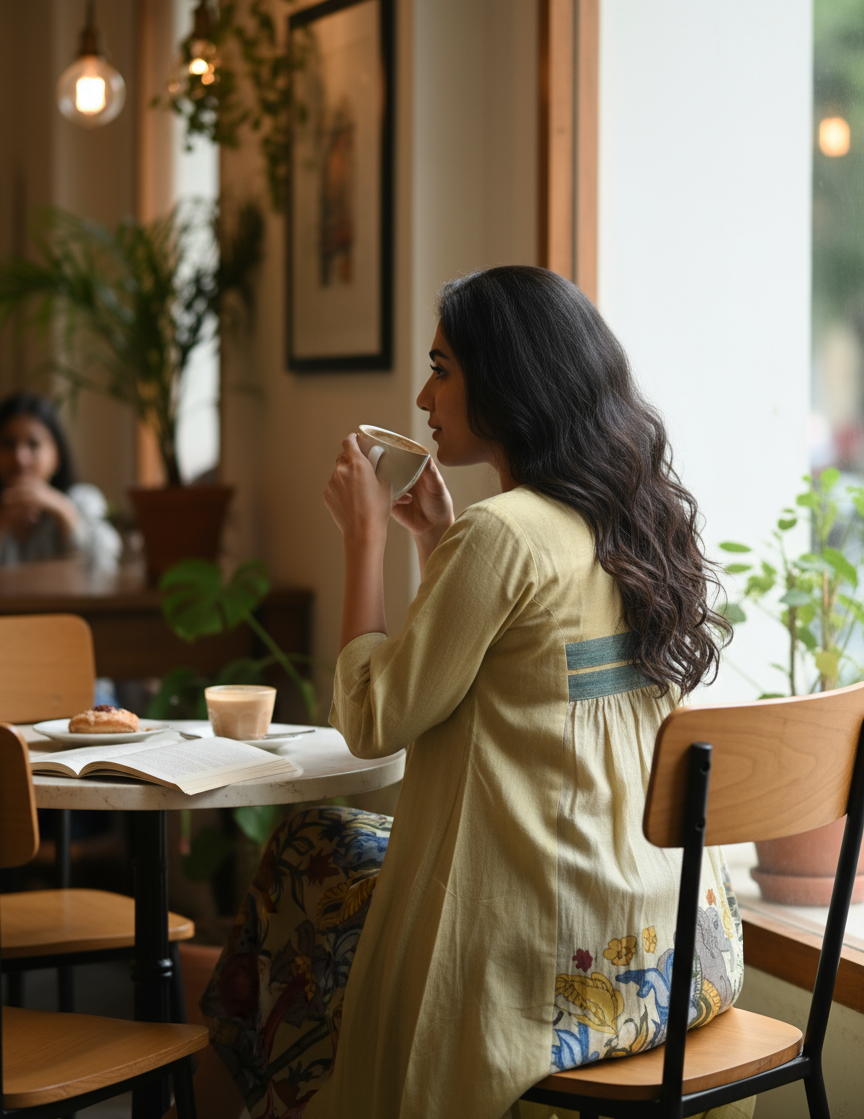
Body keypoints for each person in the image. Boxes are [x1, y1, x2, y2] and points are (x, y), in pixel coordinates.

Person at [187, 267, 751, 1119]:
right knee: (327, 863)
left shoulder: (503, 533)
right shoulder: (632, 518)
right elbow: (512, 675)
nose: (423, 396)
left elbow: (373, 721)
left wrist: (364, 541)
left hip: (542, 955)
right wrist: (436, 544)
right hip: (674, 946)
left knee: (305, 849)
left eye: (441, 369)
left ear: (508, 377)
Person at [0, 391, 121, 569]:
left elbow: (105, 568)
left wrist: (63, 511)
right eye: (8, 444)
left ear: (57, 455)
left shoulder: (83, 500)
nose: (20, 458)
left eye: (33, 444)